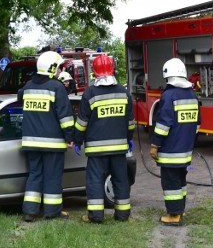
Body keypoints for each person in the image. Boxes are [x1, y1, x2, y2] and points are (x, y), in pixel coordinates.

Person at [74, 55, 135, 223]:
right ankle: (122, 215)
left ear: (94, 72)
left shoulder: (90, 94)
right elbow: (130, 122)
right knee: (121, 180)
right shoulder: (124, 93)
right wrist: (129, 138)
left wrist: (77, 141)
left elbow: (81, 123)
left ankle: (95, 216)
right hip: (119, 148)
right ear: (112, 69)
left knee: (94, 181)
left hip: (96, 150)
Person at [18, 51, 75, 221]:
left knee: (35, 174)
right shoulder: (57, 87)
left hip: (30, 142)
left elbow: (20, 96)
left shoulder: (27, 87)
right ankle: (52, 212)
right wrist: (69, 137)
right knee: (52, 176)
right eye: (58, 68)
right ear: (51, 68)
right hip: (52, 143)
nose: (60, 71)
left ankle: (30, 211)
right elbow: (65, 117)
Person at [150, 58, 200, 226]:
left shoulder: (169, 95)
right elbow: (197, 124)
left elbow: (163, 124)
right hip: (185, 151)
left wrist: (155, 145)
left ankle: (173, 215)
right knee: (181, 182)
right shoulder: (192, 96)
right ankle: (180, 209)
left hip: (170, 151)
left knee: (170, 183)